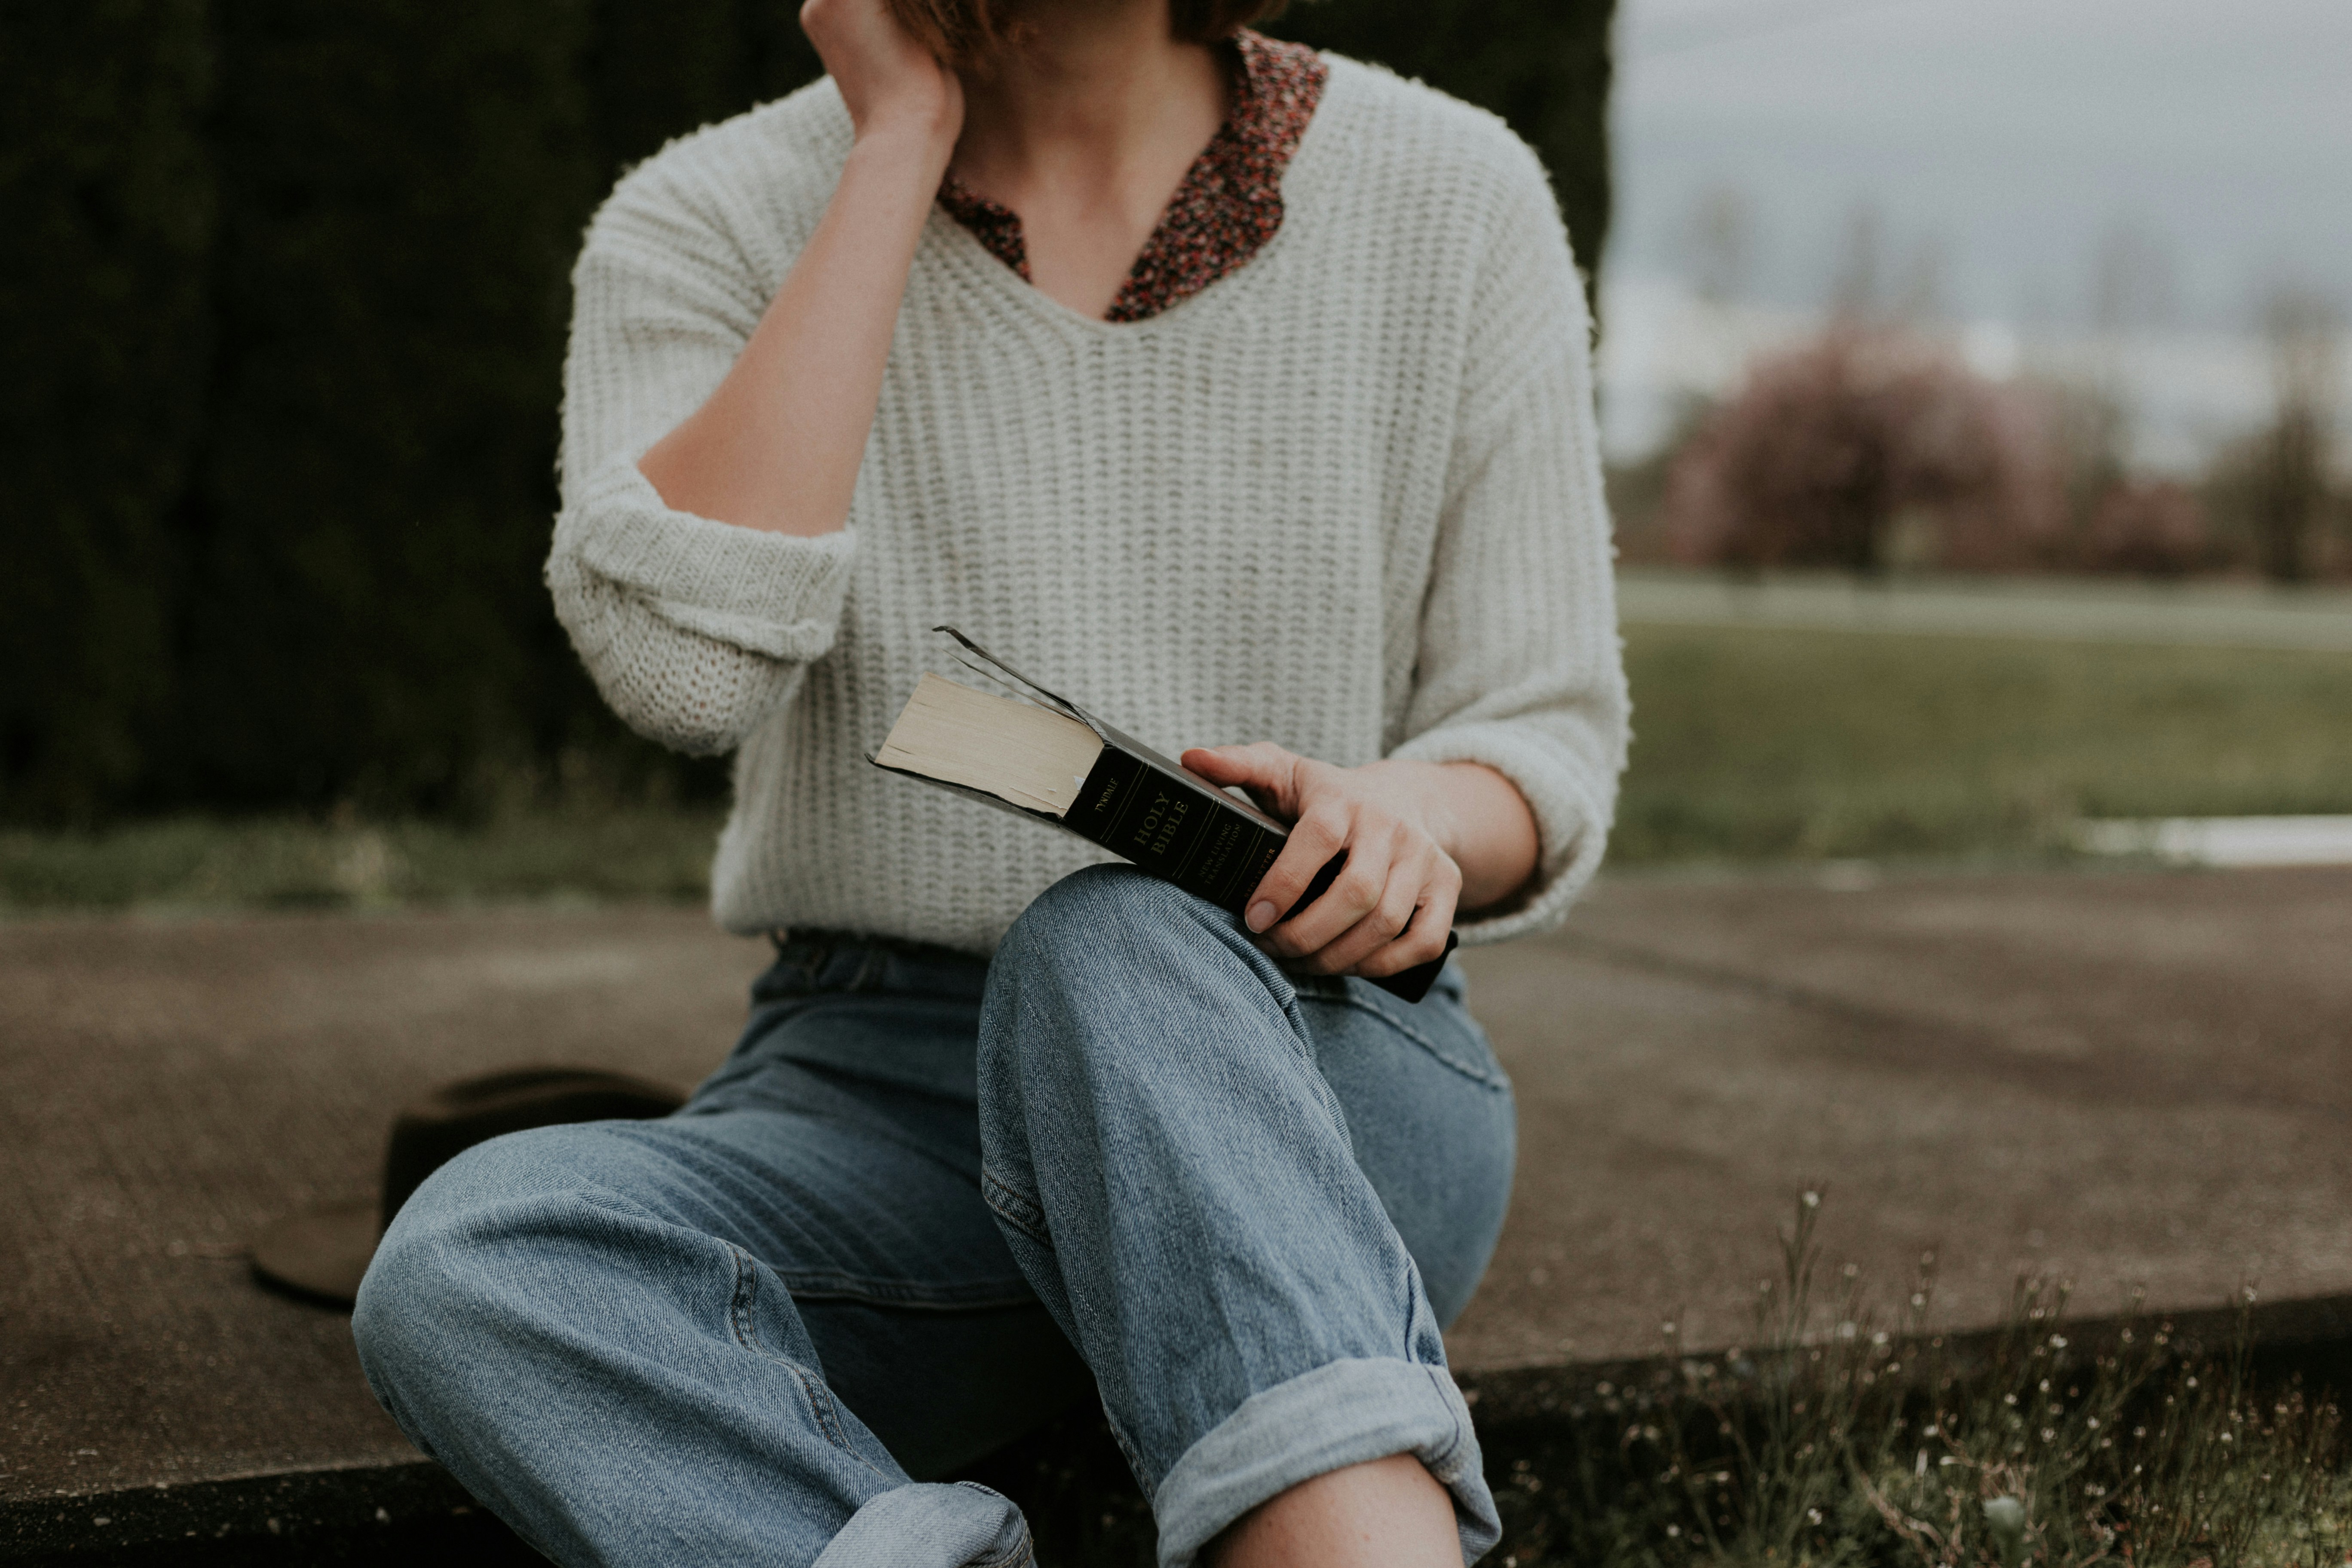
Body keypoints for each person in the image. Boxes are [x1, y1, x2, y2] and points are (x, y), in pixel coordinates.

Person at [350, 0, 1626, 1561]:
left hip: (1305, 1054)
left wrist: (1403, 824)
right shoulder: (703, 217)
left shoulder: (1456, 191)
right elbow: (684, 676)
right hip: (883, 1099)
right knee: (476, 1260)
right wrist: (896, 147)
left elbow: (1542, 734)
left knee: (1117, 944)